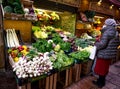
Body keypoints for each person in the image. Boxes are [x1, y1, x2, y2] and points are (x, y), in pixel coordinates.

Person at [92, 18, 120, 88]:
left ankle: (100, 83)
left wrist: (95, 44)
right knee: (104, 68)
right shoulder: (115, 32)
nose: (104, 24)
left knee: (101, 68)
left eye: (105, 23)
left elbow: (102, 44)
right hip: (109, 54)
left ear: (108, 24)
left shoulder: (107, 32)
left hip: (103, 53)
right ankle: (101, 81)